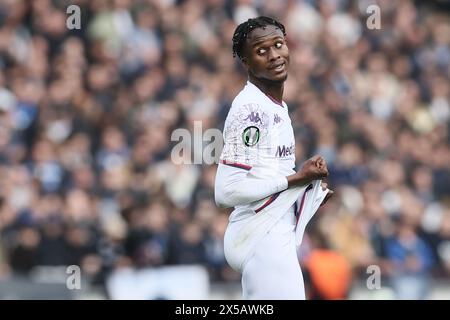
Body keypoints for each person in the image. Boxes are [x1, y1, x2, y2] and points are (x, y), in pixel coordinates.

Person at [214, 16, 333, 300]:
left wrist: (306, 190)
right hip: (260, 234)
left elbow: (264, 175)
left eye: (278, 44)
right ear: (245, 61)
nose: (274, 55)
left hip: (270, 228)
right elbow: (225, 191)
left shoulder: (274, 105)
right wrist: (298, 178)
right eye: (261, 50)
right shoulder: (250, 111)